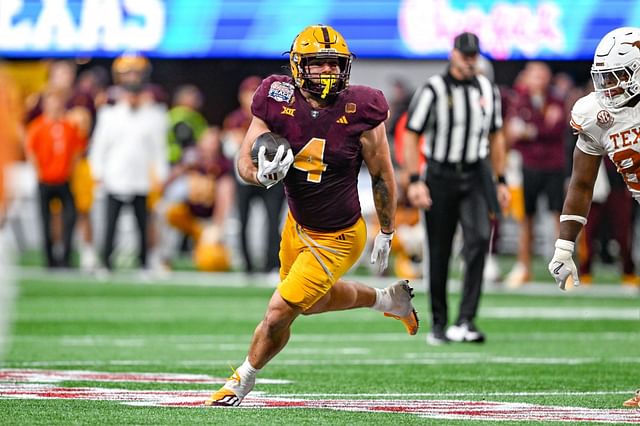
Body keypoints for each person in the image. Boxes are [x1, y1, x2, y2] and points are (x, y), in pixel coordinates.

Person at [206, 24, 419, 407]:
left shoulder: (363, 107)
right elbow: (243, 159)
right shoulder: (275, 95)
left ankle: (240, 382)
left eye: (335, 65)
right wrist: (259, 174)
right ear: (297, 66)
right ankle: (388, 301)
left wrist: (387, 229)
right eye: (318, 64)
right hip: (297, 226)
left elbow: (382, 174)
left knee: (278, 311)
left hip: (339, 236)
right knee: (312, 303)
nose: (329, 73)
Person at [403, 32, 510, 345]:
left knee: (478, 239)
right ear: (452, 54)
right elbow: (412, 134)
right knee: (439, 249)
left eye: (473, 56)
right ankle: (439, 323)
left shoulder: (489, 90)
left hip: (476, 174)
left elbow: (497, 135)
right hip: (440, 174)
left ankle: (466, 320)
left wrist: (500, 179)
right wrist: (414, 179)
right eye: (464, 55)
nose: (468, 61)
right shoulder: (433, 89)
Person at [548, 26, 640, 293]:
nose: (608, 87)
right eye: (604, 78)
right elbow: (582, 184)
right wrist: (564, 247)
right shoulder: (594, 113)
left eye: (616, 77)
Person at [89, 54, 169, 271]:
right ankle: (105, 262)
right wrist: (98, 173)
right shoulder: (109, 114)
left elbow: (159, 150)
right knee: (110, 225)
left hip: (141, 178)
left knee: (143, 224)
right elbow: (99, 147)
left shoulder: (155, 114)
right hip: (115, 177)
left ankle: (144, 262)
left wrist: (161, 176)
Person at [503, 62, 567, 288]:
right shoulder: (519, 100)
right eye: (534, 75)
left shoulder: (557, 99)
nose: (538, 79)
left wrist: (531, 130)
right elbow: (512, 132)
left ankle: (564, 268)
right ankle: (523, 267)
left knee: (558, 218)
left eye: (542, 74)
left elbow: (555, 128)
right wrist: (534, 129)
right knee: (525, 219)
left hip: (552, 165)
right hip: (528, 165)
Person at [223, 76, 286, 274]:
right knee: (243, 219)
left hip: (272, 173)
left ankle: (271, 263)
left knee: (273, 219)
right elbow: (231, 148)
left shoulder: (276, 117)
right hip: (245, 175)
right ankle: (247, 264)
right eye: (248, 92)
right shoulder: (236, 119)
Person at [25, 89, 85, 268]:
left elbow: (77, 150)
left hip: (64, 180)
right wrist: (39, 171)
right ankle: (49, 259)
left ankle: (65, 257)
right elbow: (30, 151)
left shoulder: (69, 126)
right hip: (45, 180)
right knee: (46, 222)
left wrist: (70, 170)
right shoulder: (37, 126)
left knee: (70, 218)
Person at [161, 126, 235, 271]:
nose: (208, 145)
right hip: (188, 216)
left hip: (207, 221)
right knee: (167, 212)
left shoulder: (223, 166)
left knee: (210, 263)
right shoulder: (191, 158)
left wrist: (217, 225)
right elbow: (167, 185)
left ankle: (213, 253)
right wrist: (183, 168)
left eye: (212, 142)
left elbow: (225, 195)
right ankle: (164, 257)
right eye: (206, 141)